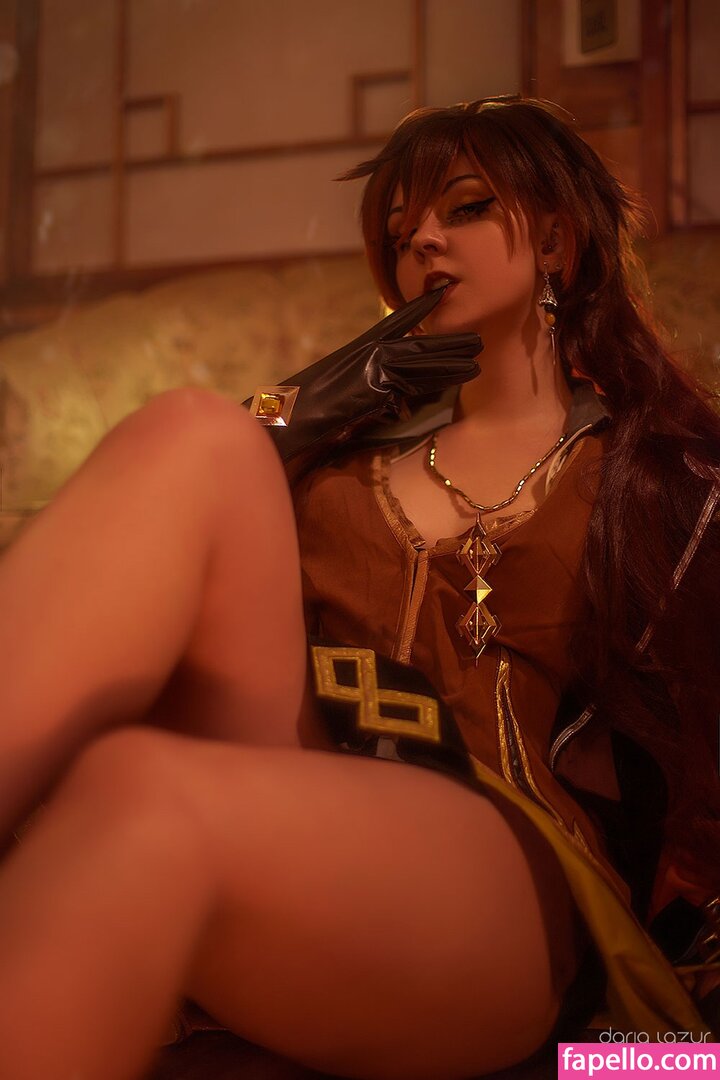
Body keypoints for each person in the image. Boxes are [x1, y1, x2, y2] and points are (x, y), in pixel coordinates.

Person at [0, 97, 717, 1080]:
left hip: (501, 866)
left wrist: (666, 1052)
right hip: (293, 784)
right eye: (401, 227)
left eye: (466, 207)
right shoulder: (338, 463)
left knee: (139, 792)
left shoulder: (659, 477)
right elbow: (153, 574)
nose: (424, 238)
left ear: (556, 240)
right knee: (192, 431)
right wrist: (292, 412)